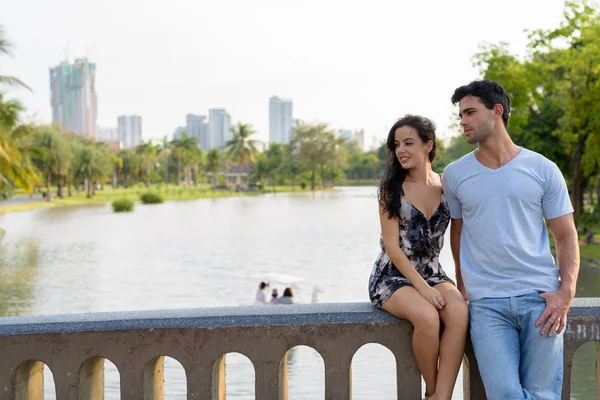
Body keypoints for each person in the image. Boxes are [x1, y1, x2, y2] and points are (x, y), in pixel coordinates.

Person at [443, 80, 580, 400]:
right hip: (487, 303)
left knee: (543, 394)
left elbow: (566, 235)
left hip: (541, 298)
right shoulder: (455, 174)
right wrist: (463, 287)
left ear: (497, 112)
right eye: (460, 114)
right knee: (504, 393)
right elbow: (458, 233)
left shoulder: (543, 169)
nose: (462, 121)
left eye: (470, 112)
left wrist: (566, 292)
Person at [368, 115, 468, 400]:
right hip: (392, 275)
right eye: (397, 145)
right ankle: (434, 392)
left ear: (428, 146)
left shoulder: (448, 185)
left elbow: (457, 238)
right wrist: (422, 289)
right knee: (427, 316)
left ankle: (443, 394)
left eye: (409, 143)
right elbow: (392, 248)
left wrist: (460, 283)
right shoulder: (391, 190)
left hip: (433, 271)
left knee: (459, 312)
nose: (401, 150)